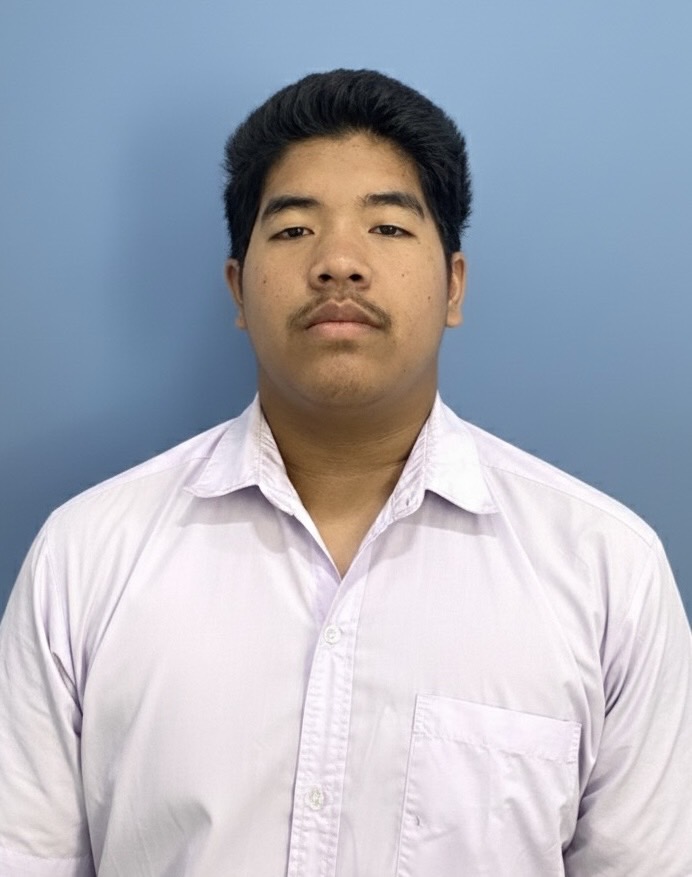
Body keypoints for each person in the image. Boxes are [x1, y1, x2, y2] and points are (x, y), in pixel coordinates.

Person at [0, 69, 690, 877]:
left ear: (454, 286)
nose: (338, 262)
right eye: (295, 229)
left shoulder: (607, 572)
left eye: (388, 227)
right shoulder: (85, 558)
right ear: (238, 289)